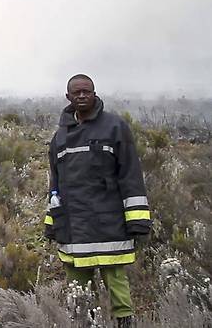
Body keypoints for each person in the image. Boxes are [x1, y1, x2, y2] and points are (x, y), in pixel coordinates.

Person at [44, 74, 151, 327]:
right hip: (73, 228)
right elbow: (55, 186)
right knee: (77, 291)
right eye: (77, 92)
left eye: (87, 91)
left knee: (116, 281)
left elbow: (130, 174)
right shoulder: (59, 137)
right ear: (68, 97)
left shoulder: (115, 127)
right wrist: (52, 222)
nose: (82, 96)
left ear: (94, 93)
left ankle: (125, 322)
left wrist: (137, 219)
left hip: (109, 222)